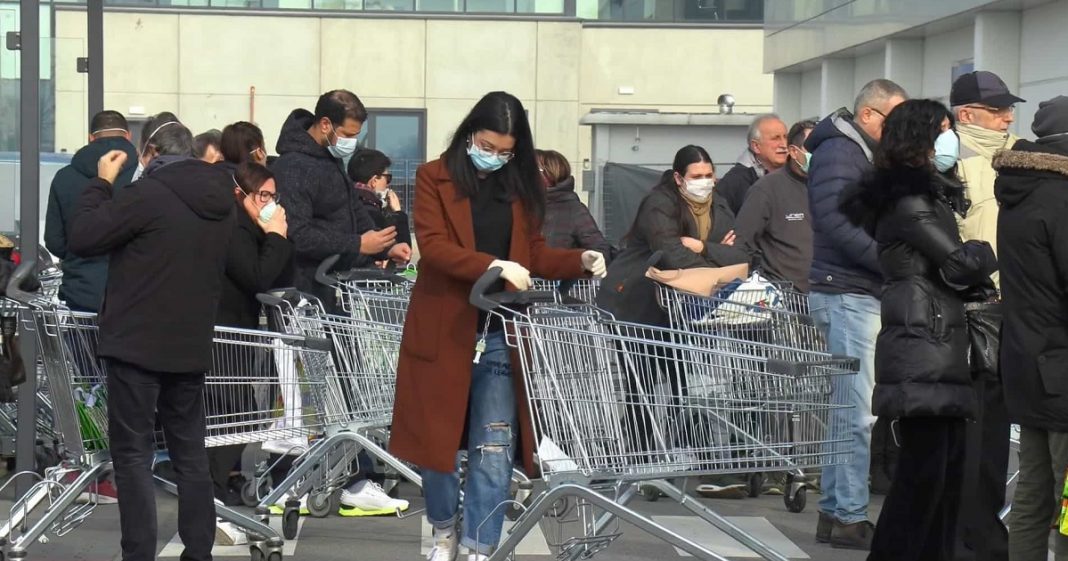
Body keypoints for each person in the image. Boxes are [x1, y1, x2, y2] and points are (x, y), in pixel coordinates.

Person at [389, 91, 605, 561]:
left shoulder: (524, 185)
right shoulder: (434, 177)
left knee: (494, 446)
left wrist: (579, 260)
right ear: (470, 134)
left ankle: (478, 547)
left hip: (501, 331)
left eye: (506, 151)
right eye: (488, 146)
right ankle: (444, 527)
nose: (496, 157)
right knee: (437, 450)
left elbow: (534, 254)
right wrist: (493, 264)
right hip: (445, 327)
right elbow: (436, 247)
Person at [68, 119, 234, 561]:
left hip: (136, 343)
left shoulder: (147, 195)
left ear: (150, 152)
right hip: (191, 343)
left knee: (133, 454)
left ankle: (138, 552)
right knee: (189, 452)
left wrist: (102, 183)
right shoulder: (221, 201)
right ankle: (198, 550)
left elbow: (84, 235)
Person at [840, 99, 997, 561]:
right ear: (920, 138)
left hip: (935, 338)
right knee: (922, 477)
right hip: (923, 342)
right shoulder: (909, 201)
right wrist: (986, 249)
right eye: (943, 129)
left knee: (944, 472)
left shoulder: (923, 196)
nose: (950, 138)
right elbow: (960, 262)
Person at [597, 144, 749, 498]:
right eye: (696, 177)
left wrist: (703, 248)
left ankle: (673, 458)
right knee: (644, 383)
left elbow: (742, 252)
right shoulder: (659, 203)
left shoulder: (720, 205)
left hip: (681, 309)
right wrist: (713, 260)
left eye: (709, 175)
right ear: (679, 178)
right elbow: (669, 251)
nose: (705, 183)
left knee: (685, 383)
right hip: (638, 301)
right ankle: (636, 460)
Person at [805, 78, 908, 550]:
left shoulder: (851, 152)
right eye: (895, 119)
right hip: (848, 292)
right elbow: (838, 222)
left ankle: (835, 510)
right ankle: (847, 514)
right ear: (869, 115)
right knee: (855, 412)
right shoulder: (842, 153)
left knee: (847, 408)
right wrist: (889, 261)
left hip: (849, 290)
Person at [950, 70, 1024, 561]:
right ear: (967, 115)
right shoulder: (948, 162)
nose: (1008, 116)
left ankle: (985, 527)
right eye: (997, 109)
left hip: (1017, 311)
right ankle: (964, 531)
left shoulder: (1026, 155)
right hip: (968, 313)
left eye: (1007, 108)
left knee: (997, 433)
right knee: (967, 431)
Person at [992, 95, 1068, 561]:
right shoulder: (1060, 198)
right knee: (1062, 498)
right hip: (1062, 367)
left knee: (1033, 497)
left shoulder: (1020, 191)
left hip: (1027, 363)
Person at [272, 90, 410, 308]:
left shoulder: (331, 160)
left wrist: (385, 246)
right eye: (348, 135)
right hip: (307, 291)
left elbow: (353, 208)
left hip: (336, 285)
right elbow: (298, 235)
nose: (352, 143)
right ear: (325, 124)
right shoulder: (293, 167)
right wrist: (358, 244)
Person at [45, 110, 137, 314]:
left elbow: (54, 241)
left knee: (79, 346)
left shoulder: (64, 177)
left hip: (81, 293)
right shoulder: (143, 176)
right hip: (130, 295)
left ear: (91, 138)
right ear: (128, 135)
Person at [736, 119, 817, 292]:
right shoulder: (766, 189)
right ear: (794, 152)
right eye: (813, 148)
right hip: (789, 301)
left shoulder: (833, 184)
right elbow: (743, 244)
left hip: (829, 296)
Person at [537, 149, 613, 257]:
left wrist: (572, 264)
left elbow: (600, 252)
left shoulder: (574, 210)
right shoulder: (520, 206)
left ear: (551, 174)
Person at [715, 114, 789, 215]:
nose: (784, 145)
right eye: (775, 138)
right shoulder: (735, 181)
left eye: (785, 137)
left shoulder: (796, 175)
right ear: (756, 146)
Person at [347, 148, 412, 250]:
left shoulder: (342, 202)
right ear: (374, 181)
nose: (388, 184)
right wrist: (398, 213)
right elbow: (403, 253)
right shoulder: (371, 212)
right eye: (387, 178)